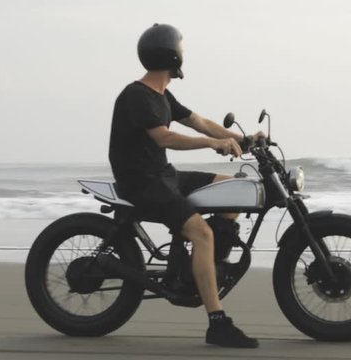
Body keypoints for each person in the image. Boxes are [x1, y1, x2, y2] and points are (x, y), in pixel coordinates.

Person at [108, 23, 261, 348]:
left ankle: (200, 269)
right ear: (172, 55)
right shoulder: (137, 95)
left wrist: (244, 141)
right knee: (202, 233)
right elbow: (164, 137)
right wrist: (210, 144)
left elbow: (200, 121)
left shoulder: (162, 95)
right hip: (143, 184)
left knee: (231, 191)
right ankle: (217, 323)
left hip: (163, 174)